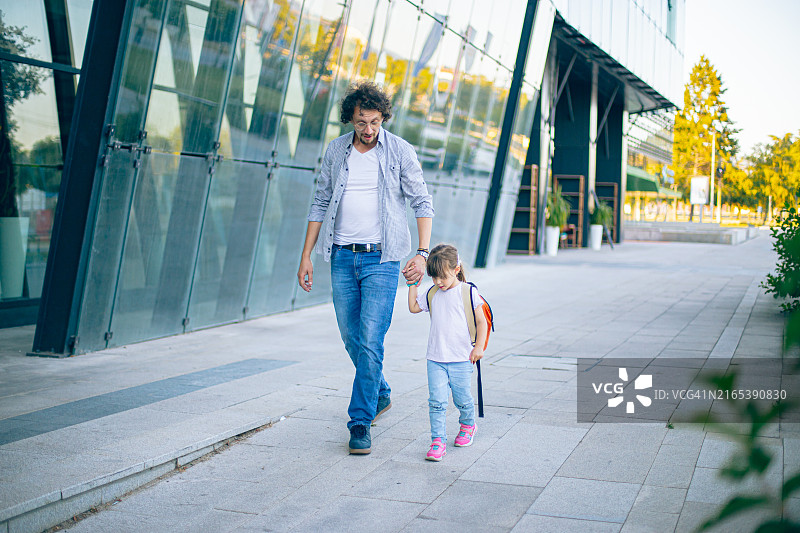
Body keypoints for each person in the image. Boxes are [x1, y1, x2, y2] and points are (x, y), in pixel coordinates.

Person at [297, 81, 434, 455]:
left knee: (371, 337)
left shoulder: (399, 151)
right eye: (361, 122)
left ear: (383, 118)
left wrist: (422, 252)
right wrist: (307, 255)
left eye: (374, 122)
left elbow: (422, 202)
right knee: (351, 336)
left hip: (383, 258)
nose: (368, 130)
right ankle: (382, 391)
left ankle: (360, 422)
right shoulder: (336, 151)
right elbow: (320, 203)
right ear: (351, 119)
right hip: (342, 255)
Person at [408, 244, 488, 461]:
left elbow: (482, 322)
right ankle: (438, 441)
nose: (438, 282)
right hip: (435, 358)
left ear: (456, 269)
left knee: (462, 399)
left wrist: (479, 347)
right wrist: (413, 285)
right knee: (436, 402)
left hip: (462, 358)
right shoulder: (433, 292)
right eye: (434, 277)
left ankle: (468, 425)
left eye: (442, 277)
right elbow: (414, 307)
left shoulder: (468, 292)